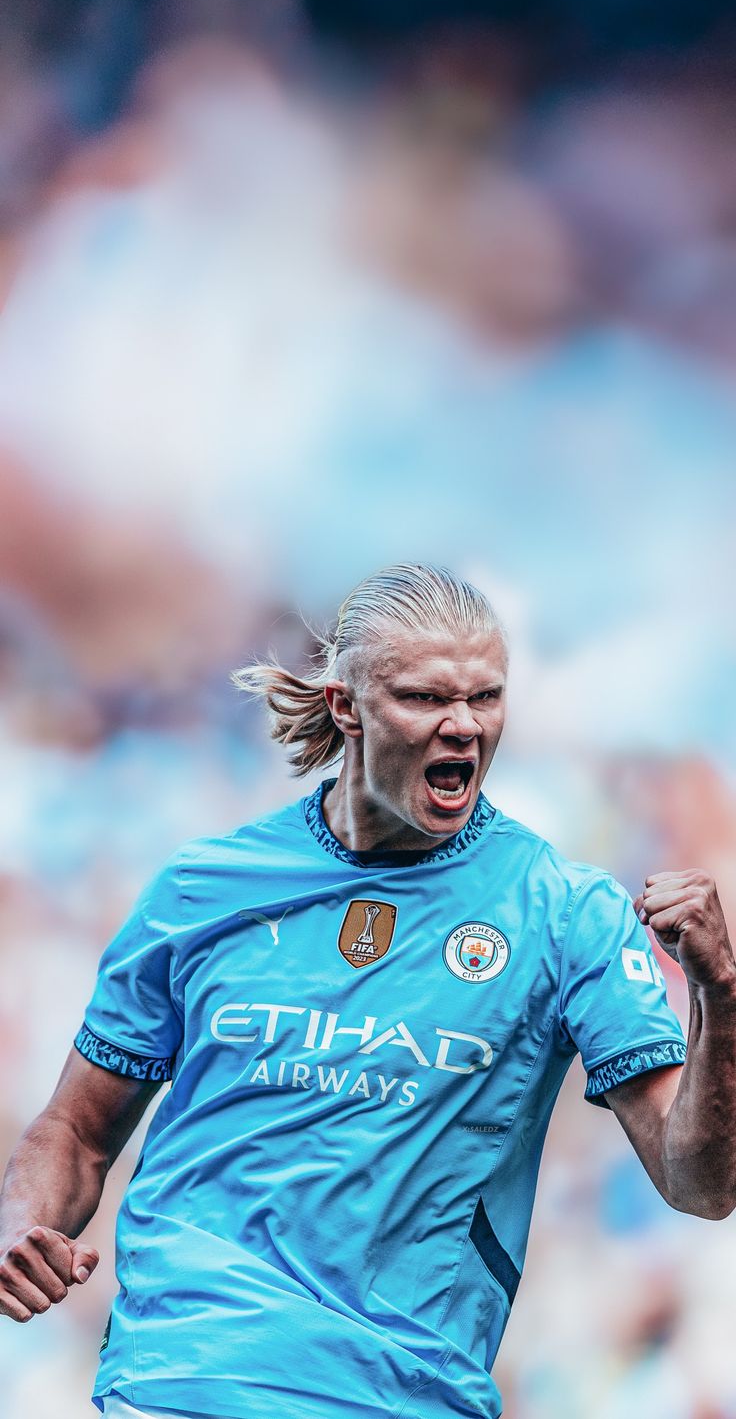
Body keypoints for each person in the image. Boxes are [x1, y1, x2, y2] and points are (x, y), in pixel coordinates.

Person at [1, 563, 734, 1419]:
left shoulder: (567, 912)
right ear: (345, 706)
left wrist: (720, 994)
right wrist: (22, 1225)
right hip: (182, 1375)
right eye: (426, 699)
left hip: (396, 1395)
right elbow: (77, 1129)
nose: (464, 727)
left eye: (487, 698)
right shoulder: (203, 887)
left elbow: (703, 1185)